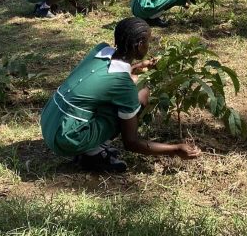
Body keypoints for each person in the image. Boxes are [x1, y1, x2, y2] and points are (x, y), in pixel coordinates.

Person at [40, 17, 201, 172]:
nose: (148, 46)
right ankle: (93, 153)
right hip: (65, 139)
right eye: (148, 42)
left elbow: (108, 76)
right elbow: (131, 142)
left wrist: (137, 67)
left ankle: (89, 144)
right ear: (139, 45)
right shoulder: (123, 85)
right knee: (141, 94)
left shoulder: (100, 50)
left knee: (129, 89)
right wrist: (175, 149)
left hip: (50, 120)